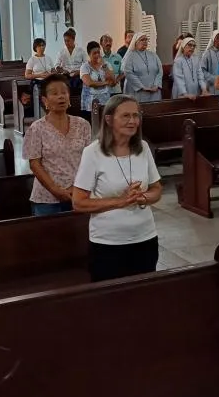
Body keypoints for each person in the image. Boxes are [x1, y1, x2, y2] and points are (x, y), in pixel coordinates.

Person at [72, 95, 163, 282]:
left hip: (145, 237)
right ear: (109, 119)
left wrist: (142, 198)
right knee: (111, 302)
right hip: (108, 242)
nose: (133, 121)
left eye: (136, 116)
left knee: (144, 295)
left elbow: (157, 189)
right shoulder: (93, 153)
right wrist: (121, 201)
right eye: (126, 116)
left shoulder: (143, 148)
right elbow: (78, 202)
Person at [24, 74, 92, 216]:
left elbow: (89, 160)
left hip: (79, 193)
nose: (61, 96)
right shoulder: (36, 128)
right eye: (54, 93)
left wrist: (78, 187)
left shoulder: (83, 125)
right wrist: (55, 190)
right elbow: (34, 164)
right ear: (45, 100)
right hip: (47, 199)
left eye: (64, 92)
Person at [122, 32, 163, 102]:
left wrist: (156, 85)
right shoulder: (130, 56)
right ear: (136, 42)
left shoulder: (153, 55)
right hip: (138, 91)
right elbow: (128, 73)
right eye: (142, 40)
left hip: (154, 91)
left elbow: (160, 71)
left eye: (146, 39)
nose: (145, 41)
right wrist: (142, 87)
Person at [80, 41, 115, 123]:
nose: (97, 55)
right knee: (91, 125)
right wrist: (106, 83)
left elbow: (113, 82)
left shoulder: (106, 64)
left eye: (98, 52)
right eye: (94, 53)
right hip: (90, 102)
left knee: (105, 125)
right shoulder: (85, 67)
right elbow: (89, 83)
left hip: (105, 101)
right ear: (89, 54)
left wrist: (104, 66)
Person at [200, 31, 219, 96]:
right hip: (211, 86)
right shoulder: (207, 53)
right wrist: (215, 79)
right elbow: (202, 71)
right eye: (218, 38)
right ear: (213, 39)